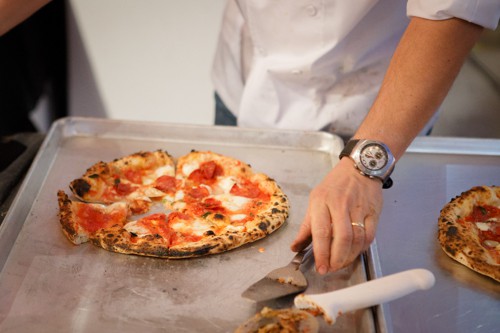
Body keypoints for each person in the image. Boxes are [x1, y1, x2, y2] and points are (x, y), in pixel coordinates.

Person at [211, 1, 500, 274]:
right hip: (251, 74)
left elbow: (453, 9)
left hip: (386, 100)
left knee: (381, 264)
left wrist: (367, 164)